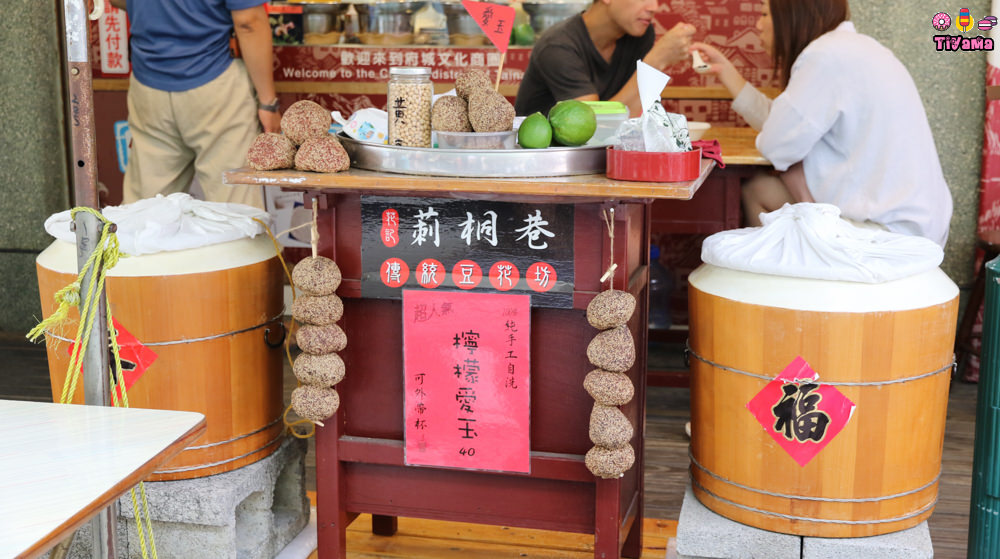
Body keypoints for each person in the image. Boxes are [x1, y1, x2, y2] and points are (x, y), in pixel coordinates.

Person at [691, 0, 952, 247]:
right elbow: (786, 125)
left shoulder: (823, 56)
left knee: (758, 189)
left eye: (764, 14)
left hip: (885, 235)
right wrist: (727, 72)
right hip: (918, 226)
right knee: (761, 188)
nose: (758, 26)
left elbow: (775, 143)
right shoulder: (853, 48)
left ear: (793, 14)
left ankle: (791, 288)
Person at [109, 0, 280, 209]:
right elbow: (248, 22)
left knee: (145, 211)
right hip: (215, 83)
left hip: (148, 84)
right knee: (234, 211)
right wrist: (268, 102)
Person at [514, 0, 695, 117]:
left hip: (601, 158)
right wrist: (655, 62)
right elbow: (593, 126)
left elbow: (633, 113)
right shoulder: (557, 46)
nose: (654, 7)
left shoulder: (639, 34)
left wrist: (653, 64)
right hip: (543, 162)